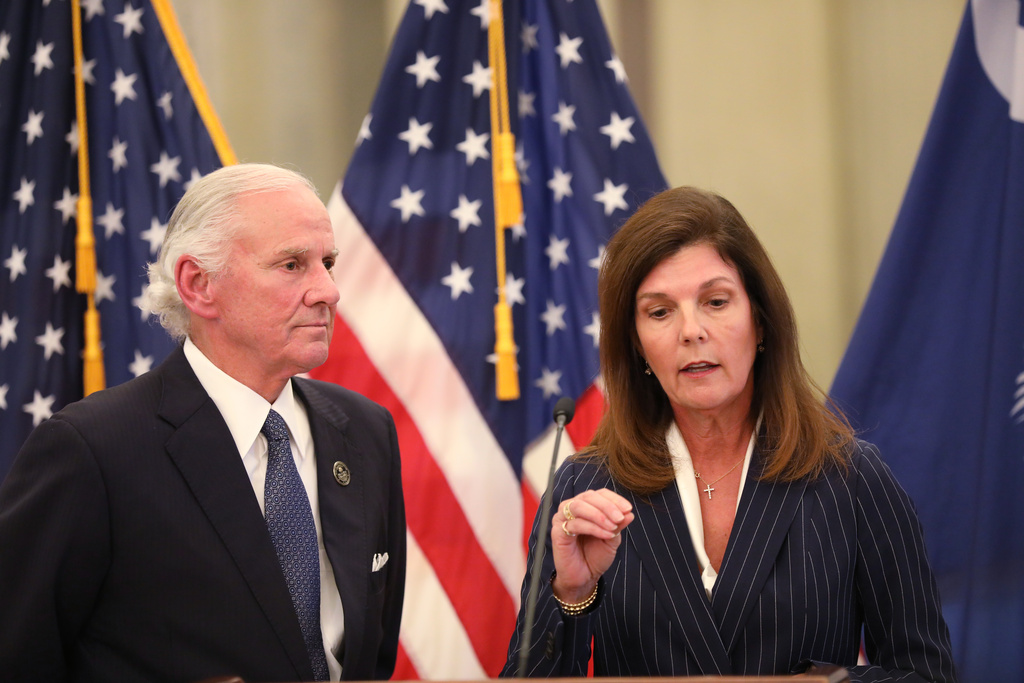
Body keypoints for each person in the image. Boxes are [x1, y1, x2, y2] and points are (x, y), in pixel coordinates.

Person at [502, 186, 957, 682]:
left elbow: (927, 675)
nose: (691, 330)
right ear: (636, 345)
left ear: (759, 321)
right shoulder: (584, 488)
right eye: (660, 312)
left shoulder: (852, 479)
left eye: (715, 302)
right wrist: (571, 594)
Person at [0, 164, 405, 682]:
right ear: (198, 284)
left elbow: (372, 660)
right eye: (291, 264)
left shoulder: (365, 429)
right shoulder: (93, 449)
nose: (328, 291)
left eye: (327, 262)